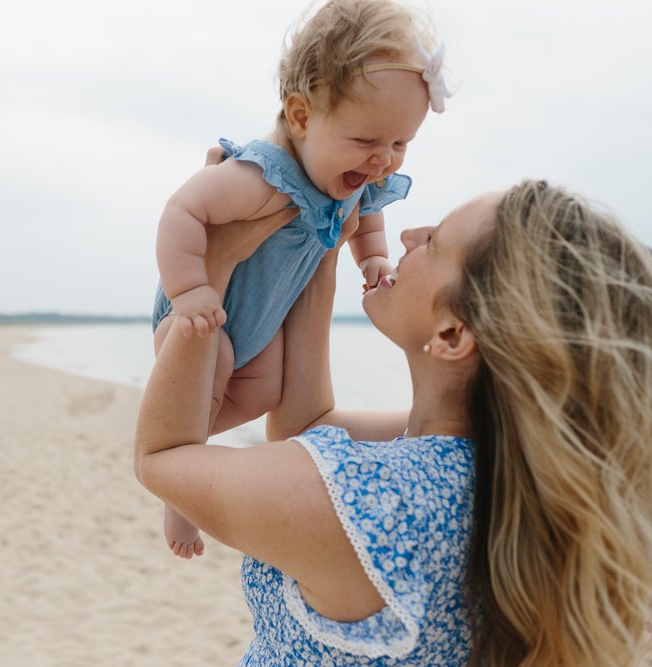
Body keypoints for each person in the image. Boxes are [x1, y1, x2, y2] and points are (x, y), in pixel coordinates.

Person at [135, 180, 652, 665]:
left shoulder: (371, 503)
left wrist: (214, 268)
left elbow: (162, 457)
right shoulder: (495, 464)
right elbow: (310, 422)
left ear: (452, 334)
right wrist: (325, 242)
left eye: (437, 242)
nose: (408, 234)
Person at [152, 0, 451, 558]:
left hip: (258, 326)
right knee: (213, 364)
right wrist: (192, 288)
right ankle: (184, 474)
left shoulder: (353, 178)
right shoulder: (260, 176)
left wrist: (372, 259)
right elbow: (182, 211)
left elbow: (368, 213)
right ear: (300, 116)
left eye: (401, 144)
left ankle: (189, 434)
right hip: (198, 315)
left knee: (266, 390)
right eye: (368, 142)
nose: (385, 160)